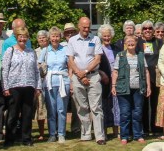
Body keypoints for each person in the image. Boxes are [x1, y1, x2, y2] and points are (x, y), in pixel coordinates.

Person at [67, 16, 106, 144]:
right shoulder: (72, 40)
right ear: (79, 26)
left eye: (88, 27)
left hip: (93, 76)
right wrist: (80, 74)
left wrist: (85, 72)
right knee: (81, 107)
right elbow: (70, 60)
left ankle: (100, 136)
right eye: (84, 27)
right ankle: (86, 134)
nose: (86, 29)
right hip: (77, 77)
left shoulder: (95, 39)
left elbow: (97, 59)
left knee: (96, 107)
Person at [1, 26, 42, 146]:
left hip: (29, 85)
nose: (22, 39)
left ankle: (26, 138)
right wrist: (5, 87)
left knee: (27, 113)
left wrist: (38, 86)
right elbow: (5, 69)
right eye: (20, 36)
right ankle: (9, 139)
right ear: (16, 37)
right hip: (14, 86)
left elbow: (36, 70)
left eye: (25, 37)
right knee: (13, 113)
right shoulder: (10, 51)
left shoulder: (31, 52)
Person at [113, 34, 151, 144]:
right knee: (125, 113)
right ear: (125, 43)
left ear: (136, 43)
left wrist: (148, 86)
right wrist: (113, 86)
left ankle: (138, 135)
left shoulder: (141, 55)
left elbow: (146, 72)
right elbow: (115, 72)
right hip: (123, 88)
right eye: (128, 41)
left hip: (138, 88)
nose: (130, 43)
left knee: (137, 112)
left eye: (132, 41)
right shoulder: (120, 55)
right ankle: (124, 136)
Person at [41, 26, 69, 143]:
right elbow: (40, 65)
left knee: (61, 109)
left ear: (60, 37)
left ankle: (61, 134)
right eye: (53, 36)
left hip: (63, 82)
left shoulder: (65, 50)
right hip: (49, 83)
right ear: (49, 37)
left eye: (57, 36)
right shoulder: (45, 51)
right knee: (51, 109)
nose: (55, 39)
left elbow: (70, 65)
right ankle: (52, 134)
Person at [139, 20, 162, 137]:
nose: (147, 30)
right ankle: (144, 129)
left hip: (156, 78)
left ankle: (156, 128)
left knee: (155, 104)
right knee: (143, 104)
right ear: (142, 31)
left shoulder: (159, 42)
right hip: (142, 77)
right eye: (145, 28)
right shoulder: (138, 42)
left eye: (149, 28)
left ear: (153, 30)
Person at [98, 24, 121, 138]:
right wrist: (102, 74)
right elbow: (96, 64)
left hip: (116, 80)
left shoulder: (116, 48)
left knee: (116, 106)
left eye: (109, 35)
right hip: (104, 81)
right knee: (105, 106)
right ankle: (105, 131)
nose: (107, 38)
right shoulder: (98, 49)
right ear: (101, 36)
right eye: (105, 36)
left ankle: (116, 131)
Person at [34, 30, 50, 140]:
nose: (41, 39)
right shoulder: (34, 52)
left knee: (52, 107)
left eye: (43, 37)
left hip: (51, 80)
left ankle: (54, 131)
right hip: (40, 81)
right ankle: (41, 133)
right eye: (39, 38)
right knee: (40, 108)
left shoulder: (51, 50)